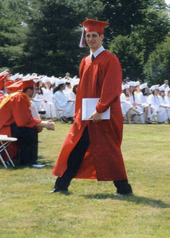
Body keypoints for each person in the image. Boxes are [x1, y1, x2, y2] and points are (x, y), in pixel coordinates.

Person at [49, 19, 133, 195]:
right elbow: (82, 91)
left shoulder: (110, 59)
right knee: (73, 146)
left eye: (94, 35)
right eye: (88, 36)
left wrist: (100, 108)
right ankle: (61, 185)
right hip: (86, 114)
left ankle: (123, 188)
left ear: (102, 37)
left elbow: (112, 88)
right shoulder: (85, 61)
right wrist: (79, 112)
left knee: (109, 150)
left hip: (105, 114)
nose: (91, 39)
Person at [0, 79, 55, 167]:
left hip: (6, 126)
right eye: (35, 90)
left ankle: (29, 160)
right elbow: (23, 121)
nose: (36, 92)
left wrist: (41, 123)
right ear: (29, 90)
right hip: (4, 129)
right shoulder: (20, 97)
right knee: (29, 131)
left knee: (31, 128)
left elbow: (26, 118)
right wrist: (43, 124)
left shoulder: (20, 96)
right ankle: (28, 161)